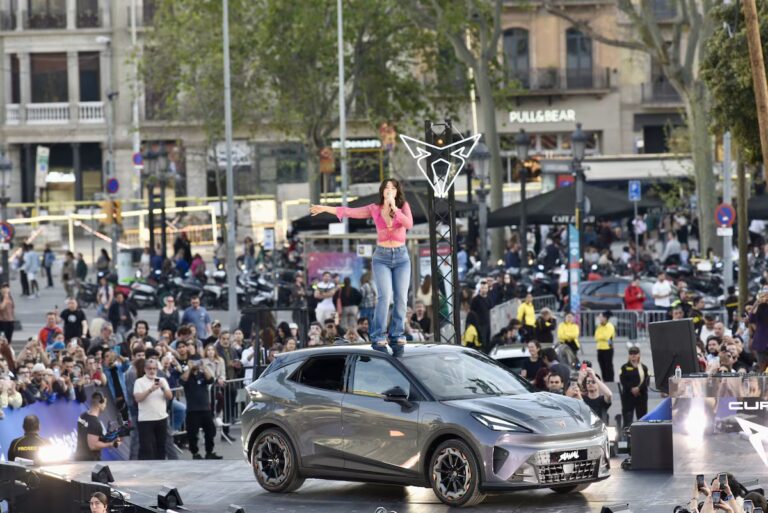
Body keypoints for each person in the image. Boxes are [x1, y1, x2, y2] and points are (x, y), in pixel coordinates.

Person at [312, 178, 413, 356]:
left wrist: (394, 208)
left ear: (397, 192)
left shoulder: (403, 206)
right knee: (384, 296)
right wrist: (325, 208)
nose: (389, 190)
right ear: (382, 191)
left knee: (401, 298)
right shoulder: (374, 209)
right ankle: (378, 334)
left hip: (401, 257)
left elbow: (408, 224)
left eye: (393, 188)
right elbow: (350, 211)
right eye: (386, 188)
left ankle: (397, 333)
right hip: (382, 256)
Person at [180, 356, 222, 460]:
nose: (195, 364)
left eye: (197, 361)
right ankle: (195, 453)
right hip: (192, 410)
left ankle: (209, 452)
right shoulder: (187, 375)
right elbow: (182, 380)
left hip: (205, 409)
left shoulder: (202, 374)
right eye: (193, 361)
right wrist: (190, 368)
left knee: (210, 431)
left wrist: (203, 366)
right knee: (192, 433)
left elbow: (210, 379)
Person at [133, 358, 172, 459]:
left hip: (161, 418)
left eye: (154, 368)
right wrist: (150, 390)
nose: (152, 371)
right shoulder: (139, 382)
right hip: (146, 419)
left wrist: (163, 388)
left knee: (161, 447)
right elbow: (138, 398)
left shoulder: (162, 380)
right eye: (149, 368)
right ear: (145, 369)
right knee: (147, 448)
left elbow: (169, 396)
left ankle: (160, 469)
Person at [76, 391, 121, 461]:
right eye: (105, 403)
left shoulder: (82, 416)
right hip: (90, 461)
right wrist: (110, 444)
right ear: (100, 404)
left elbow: (87, 434)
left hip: (79, 458)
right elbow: (93, 446)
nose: (105, 406)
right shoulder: (95, 423)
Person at [619, 346, 649, 428]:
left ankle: (643, 433)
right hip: (628, 396)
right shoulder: (624, 367)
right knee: (627, 418)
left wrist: (638, 389)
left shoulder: (644, 368)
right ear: (628, 355)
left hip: (641, 395)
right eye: (631, 353)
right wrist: (631, 389)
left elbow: (647, 381)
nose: (633, 355)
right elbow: (623, 381)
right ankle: (627, 437)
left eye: (635, 353)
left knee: (642, 418)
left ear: (639, 355)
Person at [595, 311, 616, 382]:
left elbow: (606, 336)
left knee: (608, 366)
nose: (599, 318)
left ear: (605, 318)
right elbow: (596, 337)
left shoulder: (609, 326)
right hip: (600, 348)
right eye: (599, 317)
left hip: (608, 348)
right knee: (602, 365)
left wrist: (601, 336)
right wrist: (601, 337)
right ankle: (605, 380)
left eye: (601, 317)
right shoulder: (599, 326)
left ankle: (610, 381)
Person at [750, 289, 768, 372]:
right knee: (762, 368)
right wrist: (758, 302)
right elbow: (752, 317)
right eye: (763, 295)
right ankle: (762, 384)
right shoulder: (760, 307)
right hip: (761, 343)